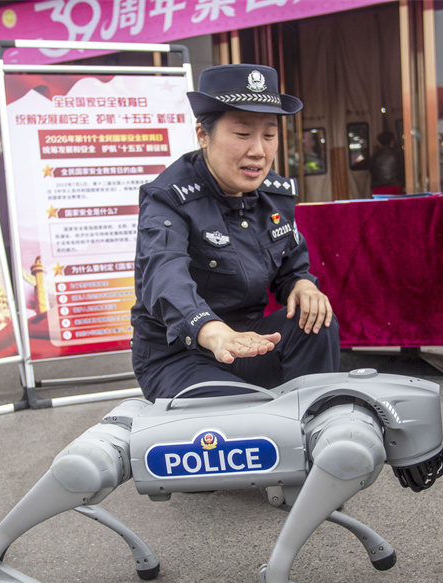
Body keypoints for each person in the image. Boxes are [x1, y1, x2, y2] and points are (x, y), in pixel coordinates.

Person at [130, 64, 339, 401]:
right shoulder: (167, 198)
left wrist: (302, 285)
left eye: (269, 135)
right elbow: (164, 277)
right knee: (236, 413)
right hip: (180, 356)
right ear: (203, 134)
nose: (258, 150)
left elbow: (291, 267)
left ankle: (316, 424)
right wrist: (212, 331)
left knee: (315, 322)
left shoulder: (276, 194)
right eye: (242, 134)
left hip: (248, 343)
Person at [369, 131, 404, 196]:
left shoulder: (374, 157)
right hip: (395, 188)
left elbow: (371, 172)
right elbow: (402, 172)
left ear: (380, 143)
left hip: (377, 190)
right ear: (392, 141)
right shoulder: (399, 155)